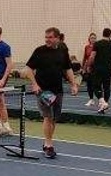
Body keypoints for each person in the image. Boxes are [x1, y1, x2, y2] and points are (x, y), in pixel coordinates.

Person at [22, 27, 81, 159]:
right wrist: (35, 84)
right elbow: (28, 69)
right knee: (48, 117)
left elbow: (68, 69)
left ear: (57, 38)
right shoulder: (39, 51)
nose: (47, 40)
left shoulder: (62, 51)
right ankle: (49, 145)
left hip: (58, 90)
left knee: (54, 118)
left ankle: (46, 141)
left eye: (50, 37)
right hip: (43, 90)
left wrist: (73, 84)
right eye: (46, 37)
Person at [89, 28, 111, 113]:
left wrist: (89, 65)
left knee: (96, 86)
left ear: (103, 34)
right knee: (107, 87)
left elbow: (92, 56)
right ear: (110, 35)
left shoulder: (97, 44)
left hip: (98, 68)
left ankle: (102, 102)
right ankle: (104, 106)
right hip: (108, 69)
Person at [81, 32, 98, 106]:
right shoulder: (87, 47)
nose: (93, 39)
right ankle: (91, 99)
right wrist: (83, 68)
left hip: (96, 68)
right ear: (89, 39)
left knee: (96, 84)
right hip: (88, 68)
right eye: (92, 38)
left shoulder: (97, 46)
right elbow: (85, 57)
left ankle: (100, 100)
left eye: (94, 38)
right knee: (89, 84)